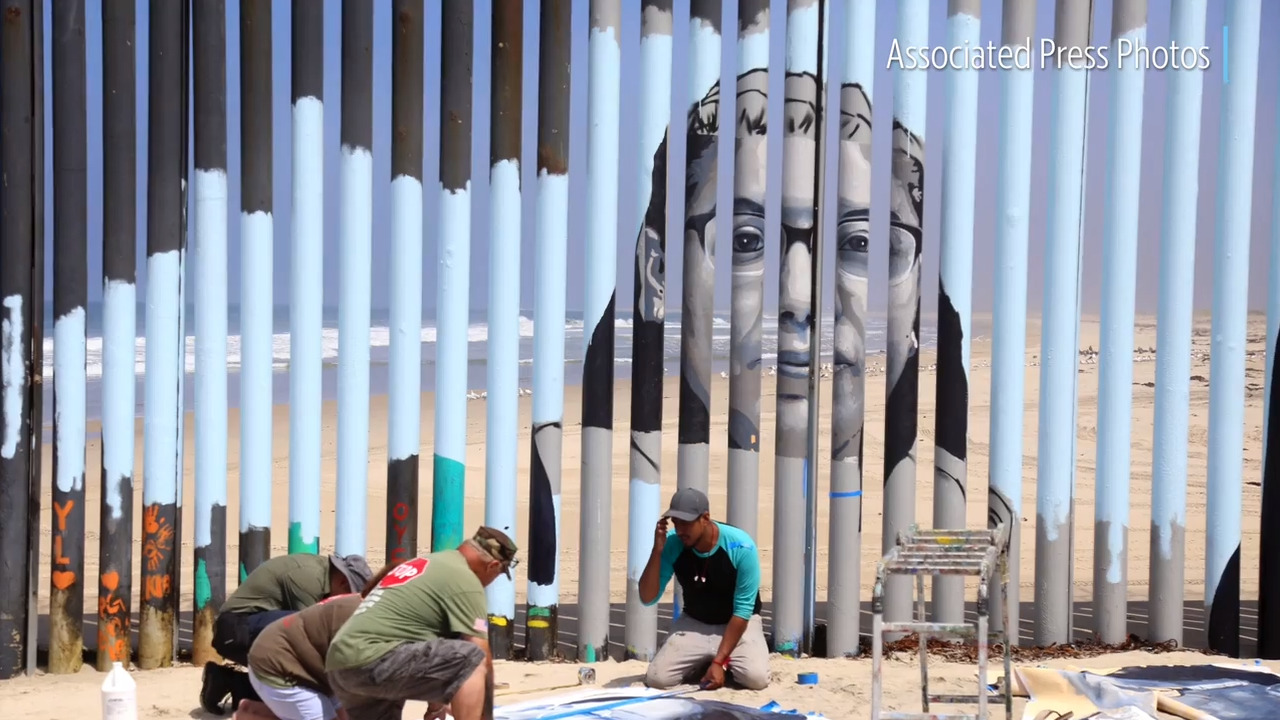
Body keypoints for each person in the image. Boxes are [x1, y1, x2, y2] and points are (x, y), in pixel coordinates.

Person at [324, 527, 519, 720]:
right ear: (493, 565)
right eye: (499, 574)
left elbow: (424, 641)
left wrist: (436, 706)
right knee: (472, 656)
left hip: (340, 663)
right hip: (374, 658)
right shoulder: (465, 579)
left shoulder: (428, 563)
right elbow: (479, 656)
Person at [201, 552, 374, 714]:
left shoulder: (324, 576)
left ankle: (231, 683)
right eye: (349, 597)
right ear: (343, 582)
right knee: (305, 659)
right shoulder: (308, 578)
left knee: (299, 683)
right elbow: (309, 638)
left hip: (251, 627)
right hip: (234, 630)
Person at [638, 487, 770, 691]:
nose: (680, 530)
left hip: (737, 622)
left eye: (686, 523)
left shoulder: (741, 546)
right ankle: (706, 661)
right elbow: (647, 598)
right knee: (658, 679)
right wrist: (657, 552)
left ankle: (719, 662)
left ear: (705, 518)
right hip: (695, 622)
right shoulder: (672, 543)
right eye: (676, 522)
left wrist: (719, 662)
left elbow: (743, 610)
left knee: (756, 679)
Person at [231, 564, 395, 720]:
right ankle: (250, 716)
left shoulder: (367, 605)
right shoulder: (365, 618)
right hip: (278, 665)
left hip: (310, 667)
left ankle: (253, 711)